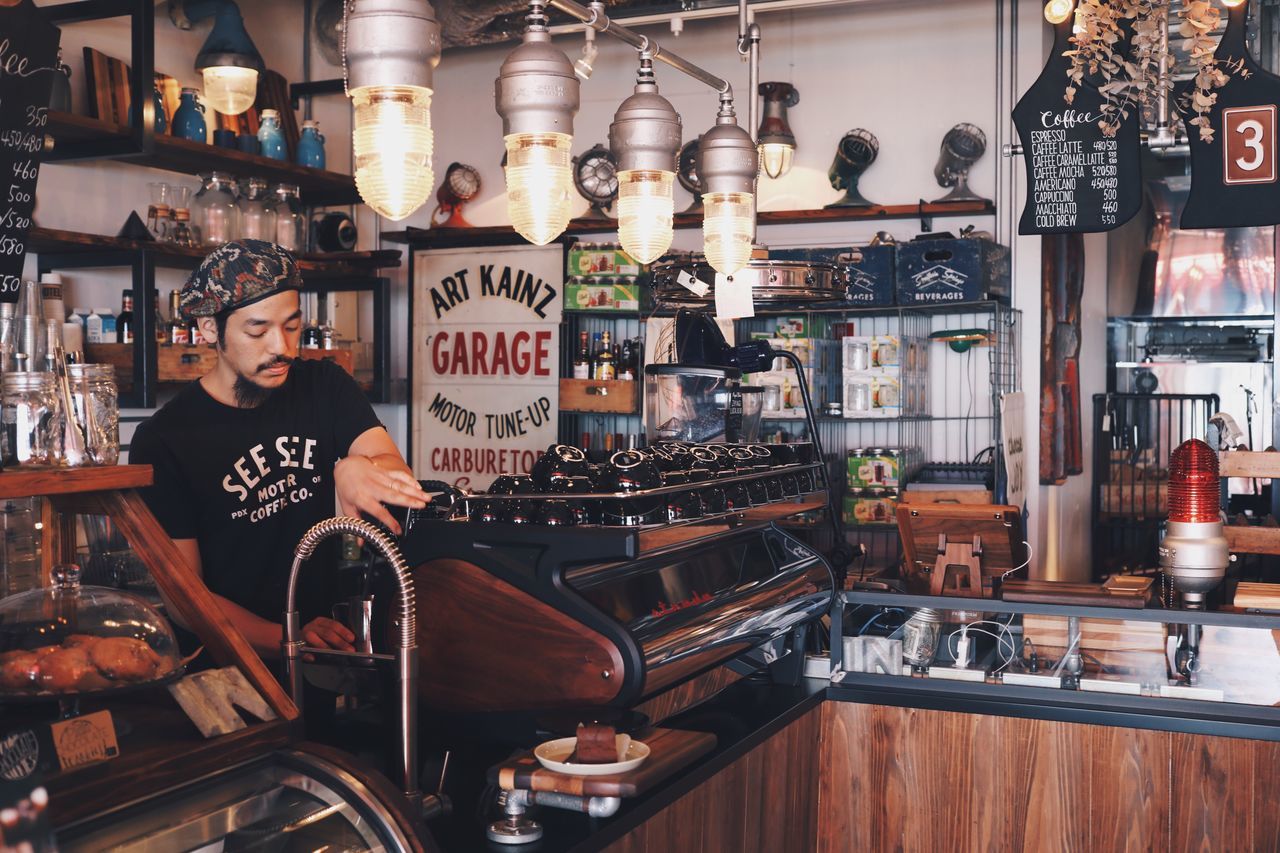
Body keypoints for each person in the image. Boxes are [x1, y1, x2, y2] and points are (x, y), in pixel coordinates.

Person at [130, 240, 429, 661]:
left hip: (328, 650)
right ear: (210, 329)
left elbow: (394, 473)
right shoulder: (165, 439)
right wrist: (288, 638)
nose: (283, 348)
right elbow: (184, 598)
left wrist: (356, 467)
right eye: (258, 330)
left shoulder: (324, 386)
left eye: (292, 326)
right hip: (230, 669)